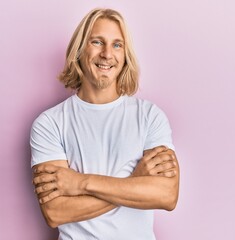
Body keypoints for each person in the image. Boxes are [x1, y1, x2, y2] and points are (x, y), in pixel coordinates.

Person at [30, 8, 180, 240]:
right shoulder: (49, 123)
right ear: (79, 51)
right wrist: (134, 182)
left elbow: (167, 195)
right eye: (97, 42)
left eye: (117, 45)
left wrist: (80, 183)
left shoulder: (150, 116)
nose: (107, 54)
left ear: (125, 55)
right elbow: (55, 212)